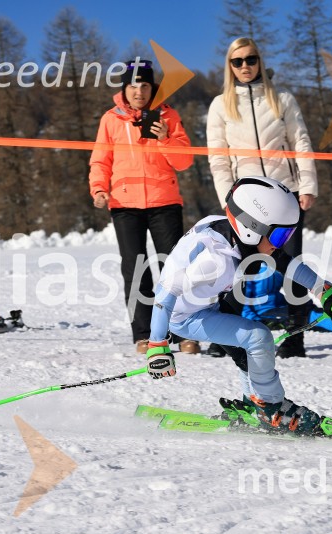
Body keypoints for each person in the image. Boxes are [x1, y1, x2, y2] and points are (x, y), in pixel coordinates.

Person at [145, 176, 332, 436]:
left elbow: (285, 261)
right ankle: (270, 408)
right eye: (280, 234)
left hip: (209, 305)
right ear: (251, 228)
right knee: (258, 337)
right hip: (186, 317)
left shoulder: (226, 231)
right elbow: (165, 291)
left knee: (249, 352)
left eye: (288, 234)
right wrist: (157, 345)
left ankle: (253, 403)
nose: (281, 242)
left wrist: (323, 289)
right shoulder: (215, 261)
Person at [206, 37, 318, 358]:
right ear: (230, 66)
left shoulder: (281, 99)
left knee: (291, 264)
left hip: (284, 197)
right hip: (246, 203)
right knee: (237, 267)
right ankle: (224, 334)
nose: (245, 66)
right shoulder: (220, 105)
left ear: (260, 61)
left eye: (251, 59)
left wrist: (307, 186)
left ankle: (295, 337)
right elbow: (218, 158)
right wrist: (228, 198)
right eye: (237, 61)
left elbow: (301, 142)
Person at [90, 59, 199, 354]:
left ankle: (183, 330)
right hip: (124, 203)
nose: (139, 92)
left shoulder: (168, 115)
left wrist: (165, 138)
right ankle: (145, 334)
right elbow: (100, 159)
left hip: (164, 201)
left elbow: (185, 161)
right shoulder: (110, 119)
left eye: (145, 86)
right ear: (124, 89)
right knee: (135, 268)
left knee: (174, 268)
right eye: (133, 86)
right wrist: (98, 188)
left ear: (153, 89)